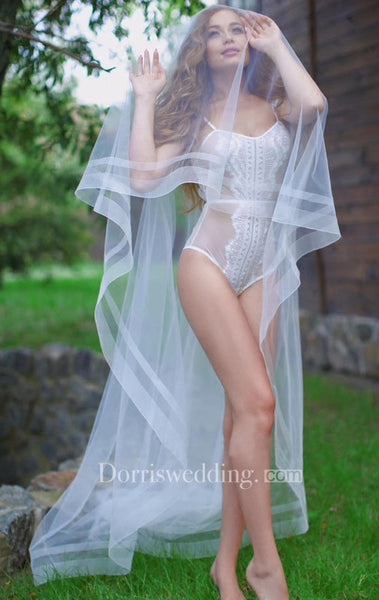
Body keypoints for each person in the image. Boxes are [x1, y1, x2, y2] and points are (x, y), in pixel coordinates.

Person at [29, 5, 341, 600]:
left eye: (236, 29)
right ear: (200, 50)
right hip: (209, 266)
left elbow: (315, 105)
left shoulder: (275, 103)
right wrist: (146, 97)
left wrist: (277, 44)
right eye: (213, 33)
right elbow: (145, 177)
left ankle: (225, 566)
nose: (226, 39)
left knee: (243, 415)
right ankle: (266, 566)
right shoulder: (195, 117)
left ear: (249, 41)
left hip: (266, 267)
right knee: (260, 405)